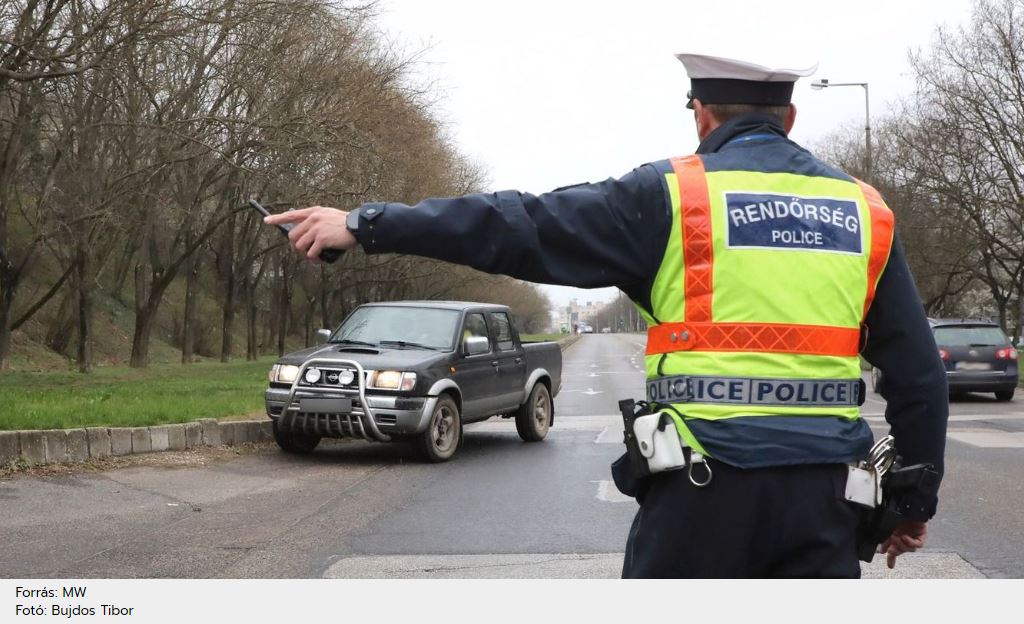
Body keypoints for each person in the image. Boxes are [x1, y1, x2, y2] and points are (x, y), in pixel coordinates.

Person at [265, 52, 949, 578]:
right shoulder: (865, 210)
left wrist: (366, 223)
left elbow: (518, 224)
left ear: (701, 114)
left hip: (700, 493)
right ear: (789, 118)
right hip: (824, 499)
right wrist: (911, 506)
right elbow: (920, 378)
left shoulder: (671, 196)